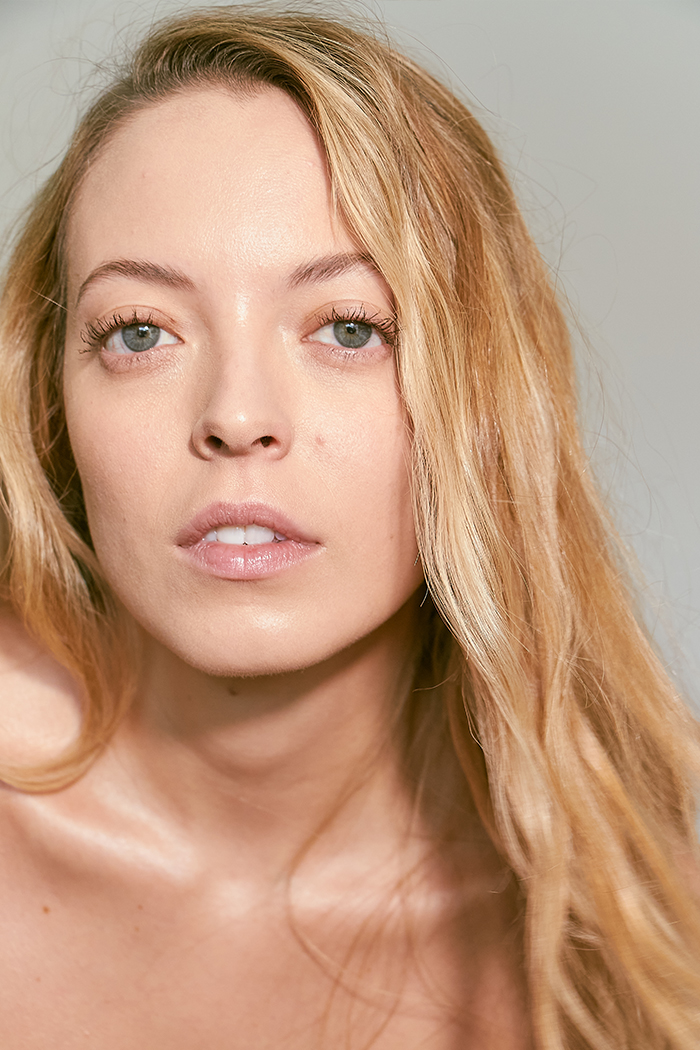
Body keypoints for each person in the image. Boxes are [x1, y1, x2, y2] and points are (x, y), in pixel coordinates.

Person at [0, 5, 698, 1047]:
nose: (238, 416)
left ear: (482, 397)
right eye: (140, 332)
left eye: (349, 328)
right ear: (52, 404)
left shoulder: (651, 920)